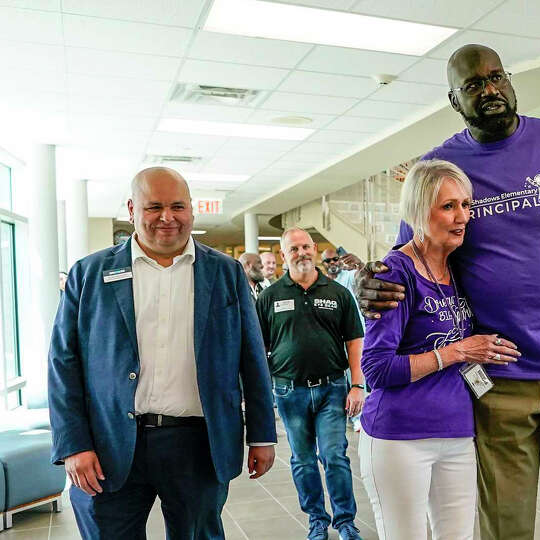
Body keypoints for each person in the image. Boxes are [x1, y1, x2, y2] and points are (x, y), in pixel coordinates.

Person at [355, 44, 540, 539]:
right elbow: (410, 257)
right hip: (496, 383)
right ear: (454, 100)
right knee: (505, 529)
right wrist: (368, 280)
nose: (490, 89)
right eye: (473, 84)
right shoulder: (439, 169)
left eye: (496, 77)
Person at [48, 167, 276, 539]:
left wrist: (262, 435)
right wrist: (73, 444)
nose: (167, 217)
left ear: (191, 210)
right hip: (108, 444)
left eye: (177, 206)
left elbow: (252, 358)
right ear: (132, 209)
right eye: (154, 207)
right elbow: (63, 362)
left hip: (198, 445)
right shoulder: (89, 274)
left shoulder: (225, 273)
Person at [359, 159, 519, 539]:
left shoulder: (459, 269)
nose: (462, 216)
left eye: (465, 205)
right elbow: (377, 369)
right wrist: (459, 351)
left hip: (458, 432)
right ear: (418, 212)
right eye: (448, 206)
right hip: (401, 436)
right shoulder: (395, 273)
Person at [256, 228, 366, 540]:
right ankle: (317, 520)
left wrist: (358, 385)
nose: (301, 253)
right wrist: (260, 392)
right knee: (303, 461)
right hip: (289, 392)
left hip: (332, 389)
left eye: (305, 246)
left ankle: (345, 522)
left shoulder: (338, 293)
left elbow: (355, 341)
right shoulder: (269, 297)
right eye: (294, 249)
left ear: (314, 248)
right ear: (283, 255)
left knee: (334, 455)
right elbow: (258, 347)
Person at [321, 247, 365, 431]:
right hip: (333, 340)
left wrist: (360, 264)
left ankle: (359, 417)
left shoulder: (349, 276)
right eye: (328, 261)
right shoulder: (321, 284)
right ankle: (347, 414)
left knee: (357, 377)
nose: (332, 263)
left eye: (335, 259)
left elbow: (364, 279)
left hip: (352, 336)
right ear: (323, 264)